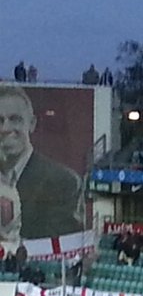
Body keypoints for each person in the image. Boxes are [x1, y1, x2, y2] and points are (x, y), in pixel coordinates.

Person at [0, 85, 86, 239]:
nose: (5, 128)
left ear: (32, 123)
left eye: (15, 119)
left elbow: (57, 246)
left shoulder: (63, 181)